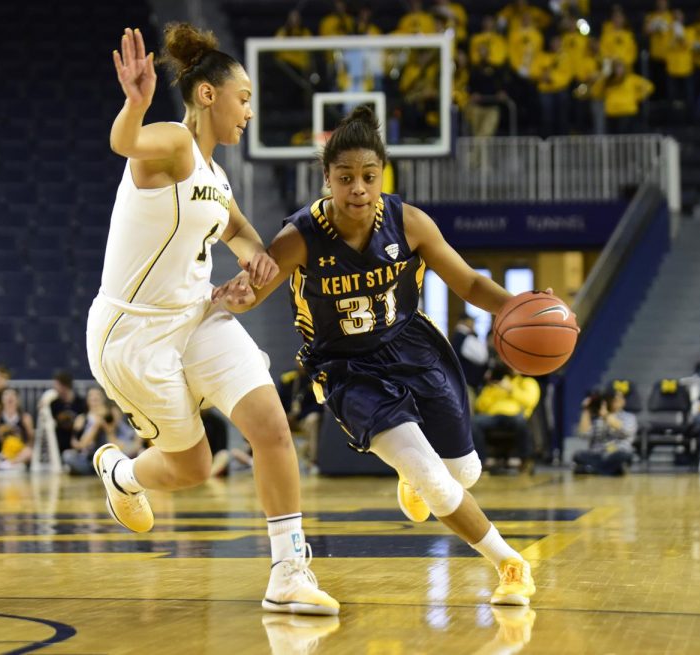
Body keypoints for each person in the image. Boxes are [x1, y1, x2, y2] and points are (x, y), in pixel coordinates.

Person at [219, 106, 548, 606]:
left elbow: (470, 282)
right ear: (327, 179)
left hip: (412, 346)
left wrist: (524, 307)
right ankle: (510, 563)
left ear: (382, 176)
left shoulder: (408, 222)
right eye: (345, 177)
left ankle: (415, 479)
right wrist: (233, 296)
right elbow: (253, 296)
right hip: (347, 368)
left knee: (465, 475)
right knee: (437, 483)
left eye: (368, 177)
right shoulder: (301, 237)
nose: (358, 189)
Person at [86, 25, 337, 615]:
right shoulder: (174, 144)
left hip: (197, 318)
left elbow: (245, 234)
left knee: (271, 426)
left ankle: (289, 572)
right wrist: (135, 104)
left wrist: (255, 273)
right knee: (193, 466)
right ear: (207, 96)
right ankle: (123, 473)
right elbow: (124, 142)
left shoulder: (218, 180)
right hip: (134, 334)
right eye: (243, 97)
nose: (249, 110)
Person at [473, 362, 540, 474]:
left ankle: (526, 461)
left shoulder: (528, 382)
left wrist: (511, 390)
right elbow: (480, 405)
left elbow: (530, 401)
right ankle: (481, 461)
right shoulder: (497, 383)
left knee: (521, 422)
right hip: (494, 417)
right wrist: (491, 386)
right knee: (473, 422)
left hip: (515, 416)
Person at [573, 388, 636, 475]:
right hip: (598, 454)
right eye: (615, 398)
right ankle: (610, 470)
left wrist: (606, 415)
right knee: (578, 455)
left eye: (621, 398)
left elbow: (625, 430)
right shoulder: (597, 419)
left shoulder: (629, 417)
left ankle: (592, 469)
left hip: (617, 452)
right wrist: (586, 410)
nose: (619, 400)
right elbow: (583, 434)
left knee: (624, 456)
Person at [450, 313, 489, 393]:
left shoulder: (458, 337)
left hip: (460, 382)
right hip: (467, 385)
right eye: (471, 321)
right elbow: (482, 357)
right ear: (464, 322)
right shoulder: (465, 337)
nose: (473, 324)